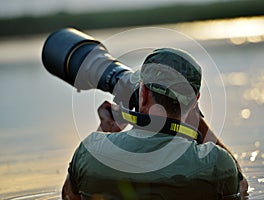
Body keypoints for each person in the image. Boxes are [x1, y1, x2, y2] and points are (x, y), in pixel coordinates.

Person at [62, 48, 248, 200]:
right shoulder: (216, 164)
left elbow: (69, 196)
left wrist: (106, 130)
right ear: (194, 101)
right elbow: (241, 187)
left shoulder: (91, 151)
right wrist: (197, 121)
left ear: (143, 93)